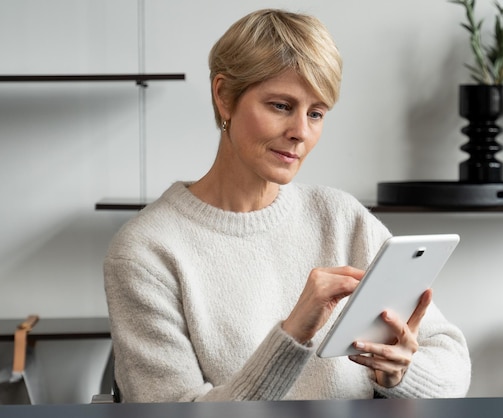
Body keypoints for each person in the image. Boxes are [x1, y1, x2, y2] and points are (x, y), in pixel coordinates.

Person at [103, 8, 471, 403]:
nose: (300, 132)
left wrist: (397, 375)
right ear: (224, 95)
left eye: (316, 113)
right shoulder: (146, 252)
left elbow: (452, 366)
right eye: (281, 106)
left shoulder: (342, 218)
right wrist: (294, 333)